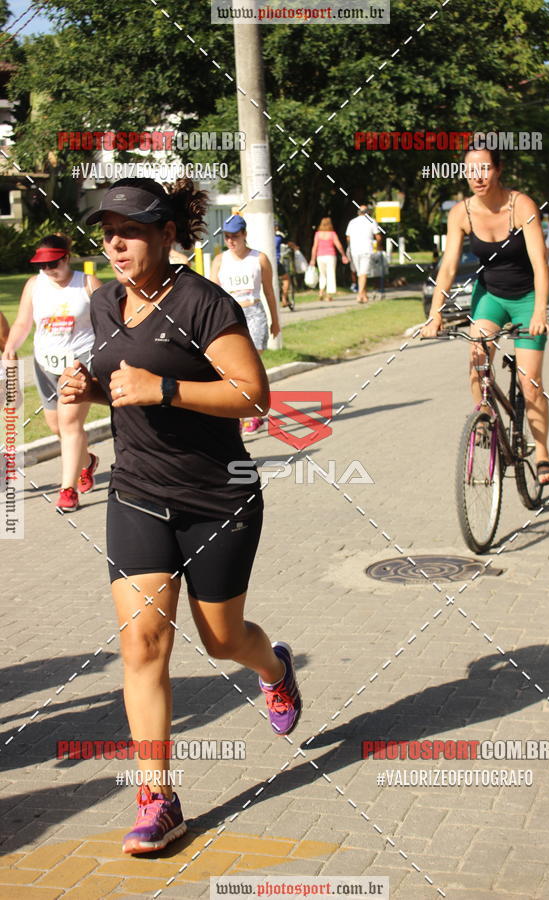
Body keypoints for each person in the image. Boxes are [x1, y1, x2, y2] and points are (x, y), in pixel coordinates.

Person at [59, 177, 302, 855]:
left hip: (218, 498)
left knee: (222, 640)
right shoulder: (104, 302)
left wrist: (163, 388)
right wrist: (88, 386)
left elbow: (253, 396)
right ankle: (157, 799)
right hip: (137, 491)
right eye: (108, 233)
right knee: (142, 646)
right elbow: (121, 381)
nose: (116, 245)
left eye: (131, 232)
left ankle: (274, 669)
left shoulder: (203, 302)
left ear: (168, 234)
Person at [422, 146, 549, 486]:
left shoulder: (521, 206)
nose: (477, 177)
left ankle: (542, 453)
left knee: (530, 384)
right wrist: (435, 314)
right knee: (477, 358)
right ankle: (483, 416)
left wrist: (540, 310)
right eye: (471, 171)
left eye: (484, 169)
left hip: (527, 298)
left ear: (498, 170)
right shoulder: (461, 213)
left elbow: (540, 262)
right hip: (490, 297)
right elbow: (448, 267)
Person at [1, 234, 102, 510]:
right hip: (45, 364)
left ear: (67, 258)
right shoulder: (34, 285)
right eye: (42, 265)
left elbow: (108, 322)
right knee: (57, 426)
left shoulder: (88, 283)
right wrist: (11, 346)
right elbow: (22, 323)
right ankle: (87, 461)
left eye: (53, 264)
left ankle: (68, 491)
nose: (47, 270)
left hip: (79, 362)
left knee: (70, 424)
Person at [210, 214, 280, 434]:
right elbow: (211, 295)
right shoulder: (220, 260)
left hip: (254, 313)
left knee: (252, 367)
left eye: (235, 236)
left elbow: (269, 291)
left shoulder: (259, 258)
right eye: (227, 237)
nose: (231, 241)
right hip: (230, 316)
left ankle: (254, 413)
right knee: (234, 370)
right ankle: (239, 415)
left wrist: (275, 321)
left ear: (244, 235)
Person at [345, 205, 382, 304]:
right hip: (367, 249)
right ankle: (360, 295)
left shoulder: (352, 222)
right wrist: (378, 247)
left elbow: (348, 237)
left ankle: (364, 295)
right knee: (363, 273)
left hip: (355, 250)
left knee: (360, 273)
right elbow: (378, 237)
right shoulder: (372, 221)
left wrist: (351, 246)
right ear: (368, 212)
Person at [309, 217, 348, 302]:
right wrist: (343, 255)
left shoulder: (318, 234)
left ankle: (321, 291)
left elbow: (314, 247)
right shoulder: (332, 234)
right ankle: (328, 294)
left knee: (322, 274)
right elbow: (338, 245)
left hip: (320, 256)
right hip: (330, 255)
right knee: (331, 274)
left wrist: (312, 259)